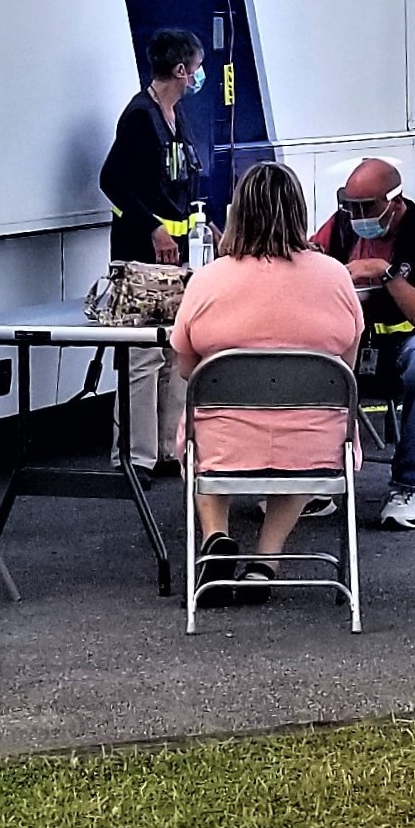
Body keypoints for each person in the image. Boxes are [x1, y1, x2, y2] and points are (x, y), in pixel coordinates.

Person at [169, 162, 364, 587]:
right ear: (298, 211)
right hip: (313, 446)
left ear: (238, 212)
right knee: (315, 428)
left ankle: (216, 537)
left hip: (224, 445)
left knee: (202, 419)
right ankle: (267, 559)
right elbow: (344, 369)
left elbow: (188, 369)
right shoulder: (334, 276)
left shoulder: (208, 280)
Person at [312, 157, 415, 530]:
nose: (357, 215)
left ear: (394, 202)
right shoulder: (341, 228)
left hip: (404, 350)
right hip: (350, 344)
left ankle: (409, 485)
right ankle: (314, 480)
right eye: (350, 206)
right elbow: (309, 260)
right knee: (296, 349)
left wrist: (387, 275)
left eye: (366, 208)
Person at [98, 26, 204, 468]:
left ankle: (168, 446)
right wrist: (153, 227)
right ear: (180, 69)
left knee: (175, 349)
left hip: (177, 255)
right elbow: (112, 181)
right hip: (141, 256)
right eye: (196, 68)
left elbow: (183, 183)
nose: (199, 77)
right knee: (141, 356)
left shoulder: (177, 117)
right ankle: (136, 454)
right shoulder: (140, 117)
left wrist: (204, 225)